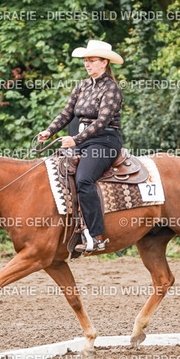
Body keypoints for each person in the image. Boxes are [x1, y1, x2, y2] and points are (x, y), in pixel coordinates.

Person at [38, 40, 124, 253]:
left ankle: (96, 236)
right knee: (54, 172)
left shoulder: (112, 89)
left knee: (84, 180)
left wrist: (75, 140)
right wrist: (49, 130)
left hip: (104, 140)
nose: (87, 64)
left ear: (104, 62)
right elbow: (67, 113)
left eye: (92, 60)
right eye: (86, 60)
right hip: (82, 139)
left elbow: (102, 122)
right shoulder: (82, 85)